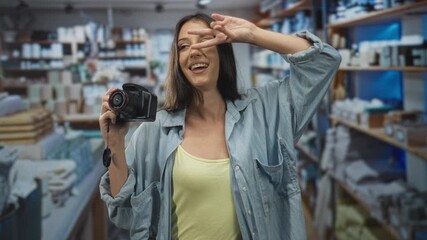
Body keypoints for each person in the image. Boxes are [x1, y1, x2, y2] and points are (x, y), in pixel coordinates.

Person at [99, 12, 341, 240]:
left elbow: (323, 62)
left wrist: (253, 34)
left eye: (204, 41)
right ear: (178, 62)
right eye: (183, 46)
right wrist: (115, 144)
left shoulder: (264, 112)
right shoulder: (153, 132)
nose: (193, 51)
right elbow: (124, 211)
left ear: (222, 51)